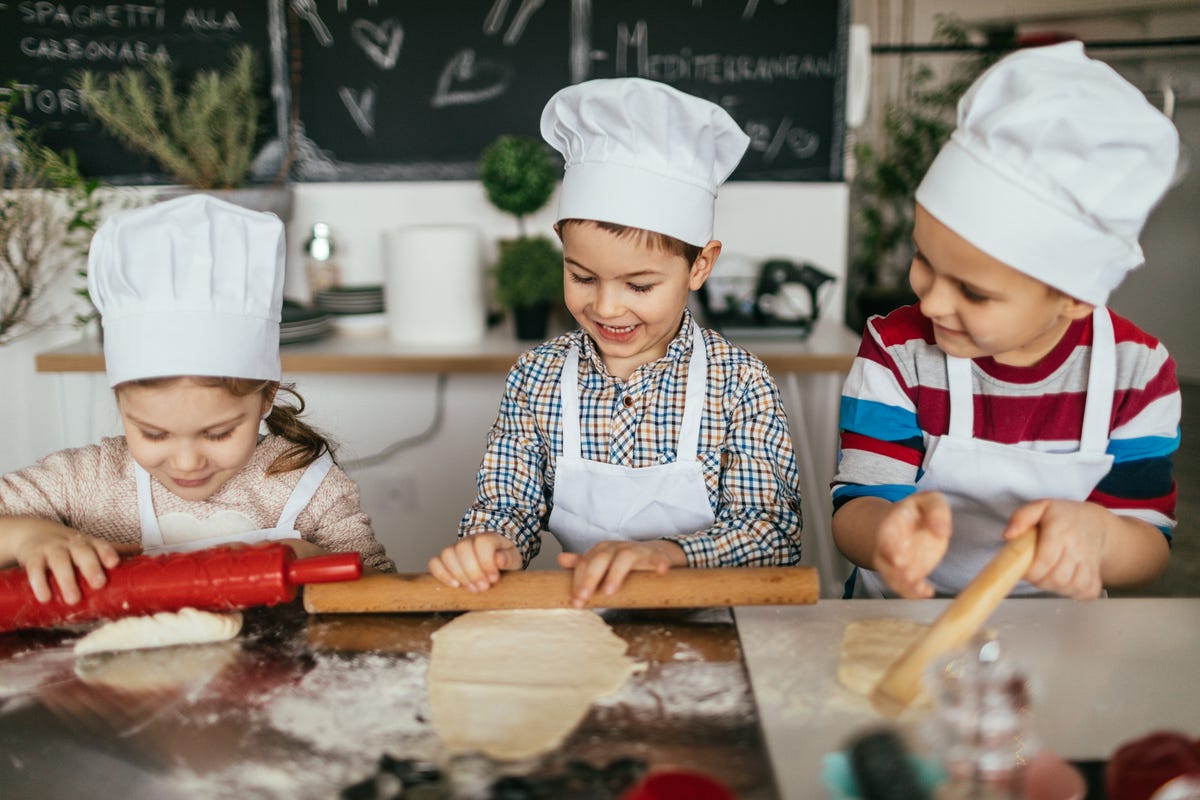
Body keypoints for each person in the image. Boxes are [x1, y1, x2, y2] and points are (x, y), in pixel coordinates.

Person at [429, 78, 803, 606]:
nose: (606, 308)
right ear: (561, 245)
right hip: (581, 625)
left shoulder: (739, 382)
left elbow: (773, 535)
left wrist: (667, 554)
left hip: (717, 634)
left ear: (701, 264)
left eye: (640, 286)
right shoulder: (537, 377)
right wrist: (490, 545)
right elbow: (506, 507)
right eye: (583, 277)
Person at [832, 42, 1181, 600]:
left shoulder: (1136, 374)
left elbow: (1149, 545)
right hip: (895, 625)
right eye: (923, 259)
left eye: (972, 291)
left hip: (1057, 648)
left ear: (1075, 298)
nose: (931, 304)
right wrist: (884, 535)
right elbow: (857, 507)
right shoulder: (897, 352)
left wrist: (1103, 538)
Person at [0, 194, 394, 604]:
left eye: (218, 434)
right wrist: (27, 537)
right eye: (153, 434)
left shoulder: (308, 487)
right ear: (121, 405)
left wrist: (309, 559)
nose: (187, 462)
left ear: (265, 398)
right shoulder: (87, 482)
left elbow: (385, 593)